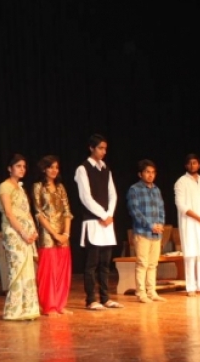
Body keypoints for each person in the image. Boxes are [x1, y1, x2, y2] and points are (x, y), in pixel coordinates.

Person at [74, 134, 124, 310]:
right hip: (94, 222)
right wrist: (103, 215)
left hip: (106, 222)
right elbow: (85, 197)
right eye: (100, 148)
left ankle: (105, 298)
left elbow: (113, 194)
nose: (103, 151)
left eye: (105, 148)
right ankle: (91, 299)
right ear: (91, 148)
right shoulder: (83, 169)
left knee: (105, 264)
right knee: (92, 264)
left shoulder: (106, 169)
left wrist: (109, 214)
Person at [0, 154, 41, 321]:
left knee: (28, 269)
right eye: (18, 166)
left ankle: (28, 309)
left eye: (24, 166)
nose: (22, 169)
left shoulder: (21, 188)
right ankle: (13, 311)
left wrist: (33, 231)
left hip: (26, 232)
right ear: (10, 168)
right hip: (14, 232)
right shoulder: (4, 186)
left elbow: (27, 212)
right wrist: (23, 233)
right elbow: (9, 213)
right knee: (17, 268)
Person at [32, 155, 73, 316]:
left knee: (62, 270)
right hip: (48, 234)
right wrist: (54, 234)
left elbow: (67, 212)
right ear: (44, 169)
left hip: (63, 234)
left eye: (56, 167)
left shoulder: (61, 187)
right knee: (48, 272)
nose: (54, 170)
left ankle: (60, 304)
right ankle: (49, 306)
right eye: (51, 167)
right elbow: (38, 214)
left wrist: (66, 234)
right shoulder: (38, 187)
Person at [174, 153, 200, 297]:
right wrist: (199, 218)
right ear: (186, 165)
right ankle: (190, 287)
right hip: (190, 222)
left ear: (199, 165)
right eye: (190, 163)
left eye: (195, 163)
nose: (193, 165)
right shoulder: (181, 182)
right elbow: (181, 206)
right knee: (190, 254)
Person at [126, 159, 167, 303]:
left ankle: (152, 292)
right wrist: (150, 225)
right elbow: (134, 211)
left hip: (156, 233)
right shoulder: (134, 189)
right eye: (147, 172)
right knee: (142, 263)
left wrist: (160, 224)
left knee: (153, 264)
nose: (150, 175)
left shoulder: (156, 190)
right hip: (142, 232)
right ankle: (141, 293)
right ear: (140, 174)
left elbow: (161, 209)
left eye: (153, 172)